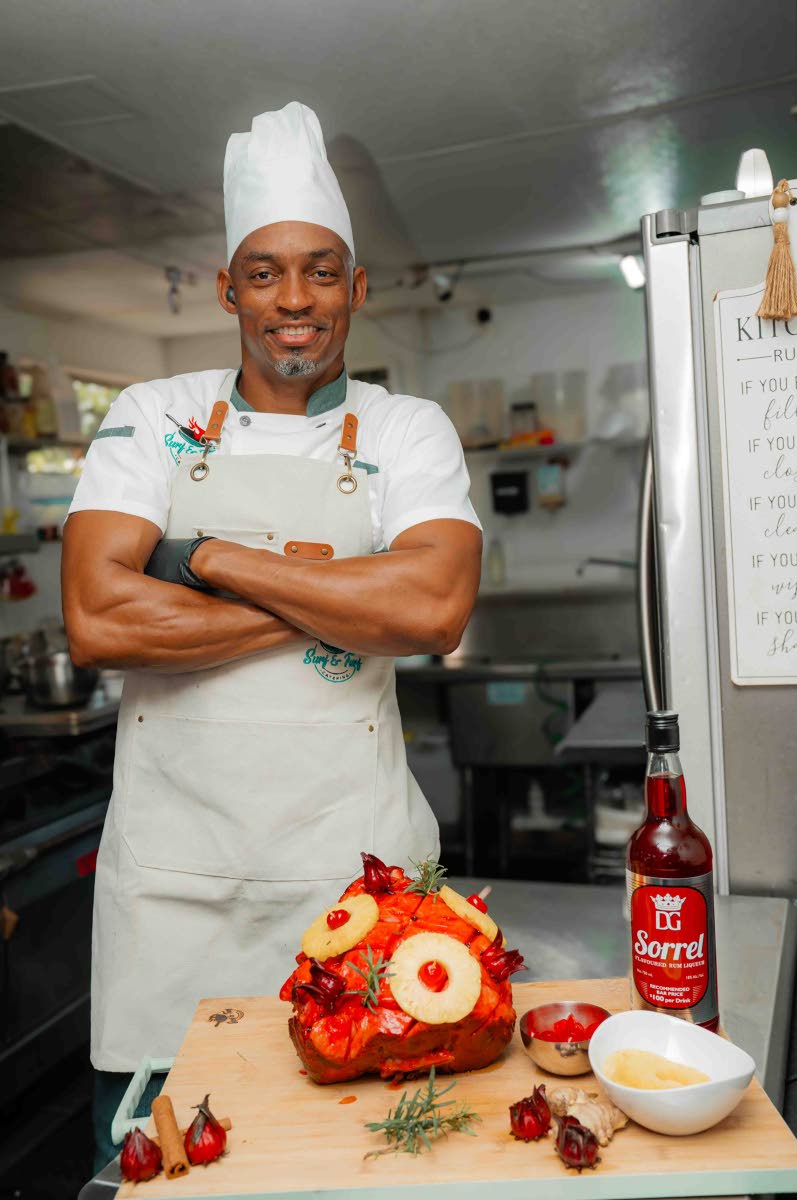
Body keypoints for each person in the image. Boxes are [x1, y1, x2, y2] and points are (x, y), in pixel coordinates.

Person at [61, 101, 482, 1165]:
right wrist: (328, 591)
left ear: (356, 288)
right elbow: (98, 615)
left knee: (365, 1163)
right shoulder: (153, 416)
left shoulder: (404, 428)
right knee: (169, 1166)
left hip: (357, 886)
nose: (293, 300)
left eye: (320, 270)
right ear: (227, 288)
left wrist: (205, 556)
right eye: (264, 272)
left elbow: (430, 610)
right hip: (174, 893)